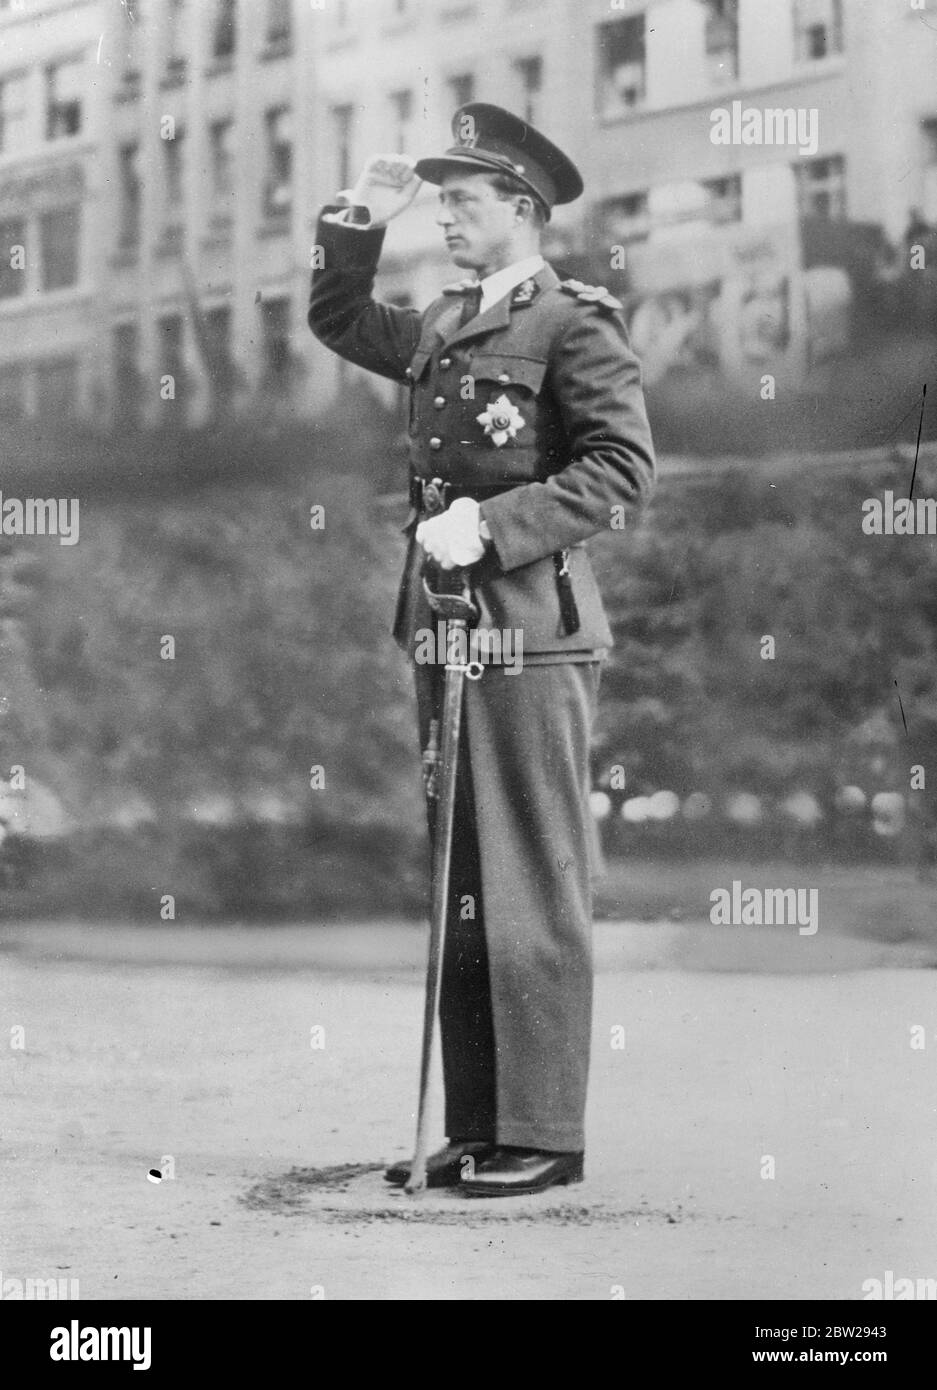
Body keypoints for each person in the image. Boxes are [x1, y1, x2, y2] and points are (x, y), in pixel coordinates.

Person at [308, 103, 655, 1196]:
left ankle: (545, 1131)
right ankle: (480, 1124)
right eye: (442, 200)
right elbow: (337, 320)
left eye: (462, 201)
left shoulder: (573, 324)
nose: (446, 218)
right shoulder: (447, 321)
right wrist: (360, 221)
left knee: (532, 879)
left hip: (529, 632)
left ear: (522, 209)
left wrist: (494, 527)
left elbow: (620, 468)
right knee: (465, 879)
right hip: (443, 628)